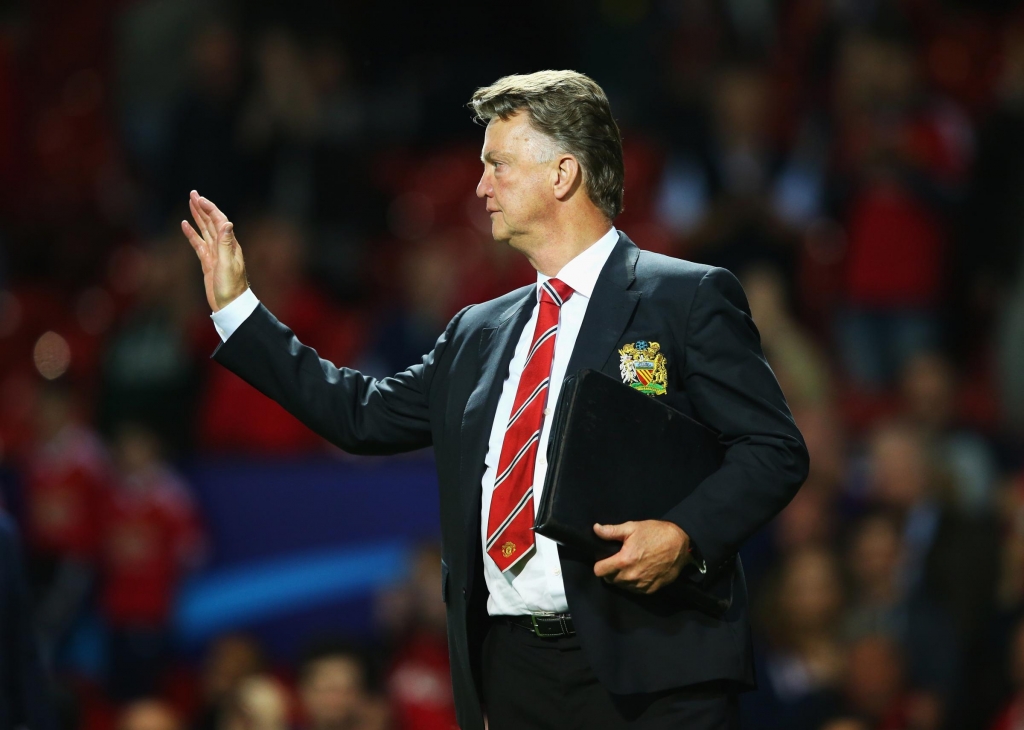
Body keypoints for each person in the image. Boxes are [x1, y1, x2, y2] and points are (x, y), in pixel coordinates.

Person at [181, 70, 809, 729]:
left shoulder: (684, 298)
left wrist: (685, 533)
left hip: (653, 669)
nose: (480, 186)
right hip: (513, 677)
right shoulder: (476, 332)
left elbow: (773, 448)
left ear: (562, 174)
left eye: (498, 165)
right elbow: (359, 415)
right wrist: (238, 313)